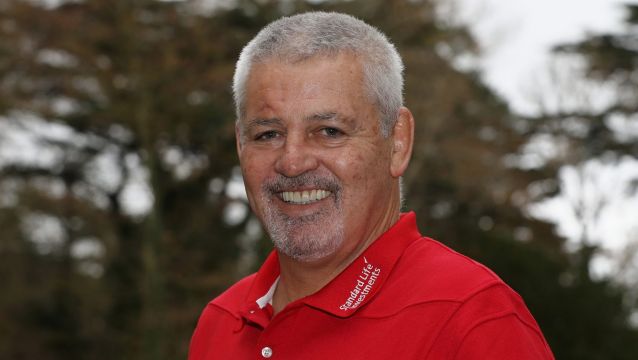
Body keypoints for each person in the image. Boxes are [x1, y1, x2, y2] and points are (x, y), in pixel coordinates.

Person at [189, 12, 554, 360]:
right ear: (240, 144)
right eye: (268, 134)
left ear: (398, 143)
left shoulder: (471, 318)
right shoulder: (220, 323)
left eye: (330, 132)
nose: (292, 161)